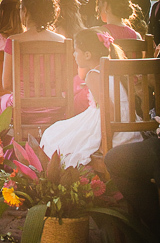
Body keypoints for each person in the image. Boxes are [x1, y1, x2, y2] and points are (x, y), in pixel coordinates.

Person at [40, 28, 141, 166]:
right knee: (60, 131)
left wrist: (101, 139)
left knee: (53, 135)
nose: (74, 54)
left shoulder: (94, 75)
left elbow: (108, 111)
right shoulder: (113, 68)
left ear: (87, 55)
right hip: (128, 127)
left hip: (113, 130)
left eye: (76, 50)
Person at [0, 0, 66, 127]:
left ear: (25, 11)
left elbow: (6, 84)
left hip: (23, 109)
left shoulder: (13, 41)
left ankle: (8, 146)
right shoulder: (62, 42)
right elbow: (66, 81)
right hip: (56, 108)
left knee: (3, 101)